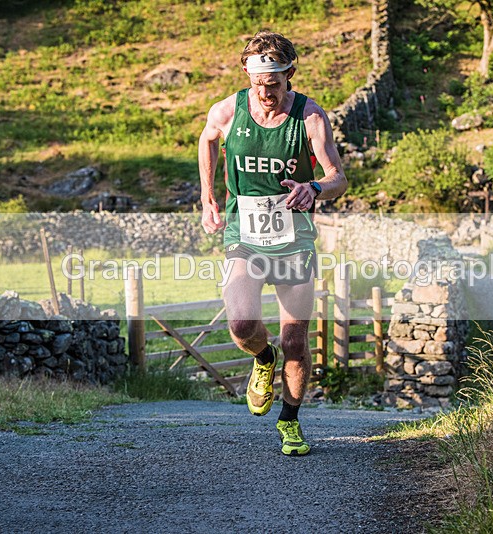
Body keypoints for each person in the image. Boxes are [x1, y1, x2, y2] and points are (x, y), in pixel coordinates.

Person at [199, 30, 347, 456]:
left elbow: (338, 177)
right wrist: (208, 195)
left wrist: (314, 188)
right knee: (242, 324)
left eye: (275, 84)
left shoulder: (310, 117)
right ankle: (263, 359)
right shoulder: (227, 111)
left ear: (290, 75)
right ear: (246, 75)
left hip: (294, 238)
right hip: (244, 235)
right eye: (258, 83)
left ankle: (290, 421)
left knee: (296, 341)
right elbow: (208, 139)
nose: (265, 93)